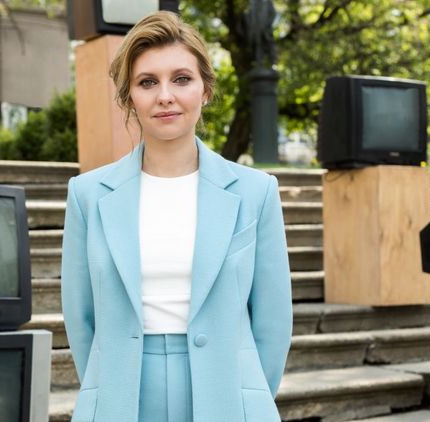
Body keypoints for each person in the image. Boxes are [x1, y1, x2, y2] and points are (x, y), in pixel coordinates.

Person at [61, 11, 292, 422]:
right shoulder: (88, 195)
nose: (165, 95)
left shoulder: (256, 192)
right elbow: (81, 319)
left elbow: (273, 322)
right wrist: (105, 390)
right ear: (128, 97)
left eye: (182, 79)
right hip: (121, 395)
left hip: (229, 394)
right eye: (147, 82)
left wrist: (250, 397)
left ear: (205, 90)